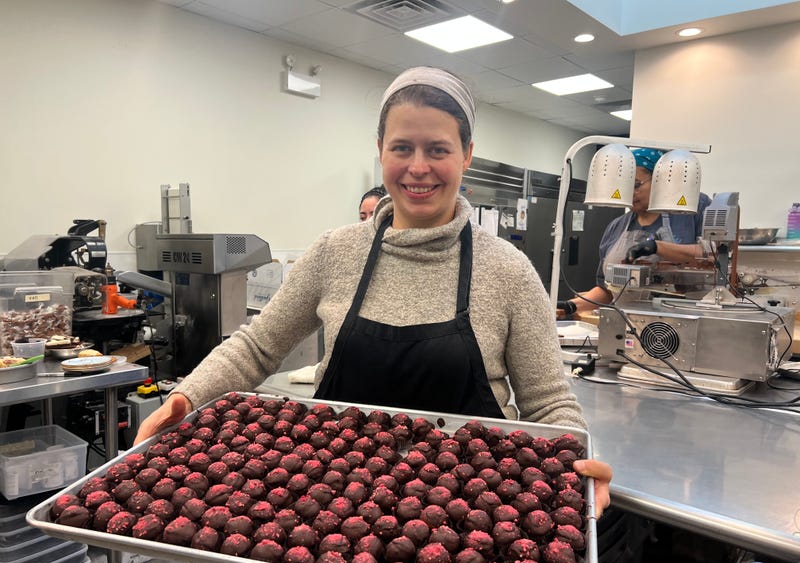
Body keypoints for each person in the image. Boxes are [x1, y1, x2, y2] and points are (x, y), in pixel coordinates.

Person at [135, 67, 611, 520]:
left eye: (438, 150)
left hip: (469, 520)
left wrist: (577, 458)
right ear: (380, 150)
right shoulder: (334, 252)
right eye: (402, 147)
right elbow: (256, 348)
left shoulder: (508, 270)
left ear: (467, 154)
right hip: (328, 510)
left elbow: (548, 404)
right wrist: (186, 398)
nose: (418, 168)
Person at [559, 147, 712, 315]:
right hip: (627, 323)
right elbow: (608, 290)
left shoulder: (690, 211)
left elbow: (712, 256)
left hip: (681, 321)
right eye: (624, 186)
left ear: (658, 181)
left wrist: (656, 247)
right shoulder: (616, 227)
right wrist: (570, 306)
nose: (629, 193)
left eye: (635, 185)